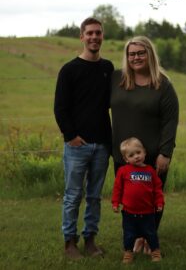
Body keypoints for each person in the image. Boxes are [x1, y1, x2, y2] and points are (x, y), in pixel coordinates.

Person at [110, 36, 179, 253]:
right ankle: (135, 236)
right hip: (123, 157)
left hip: (153, 156)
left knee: (150, 199)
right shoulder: (116, 79)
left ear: (149, 54)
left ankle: (149, 237)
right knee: (129, 199)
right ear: (126, 56)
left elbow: (170, 121)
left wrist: (165, 153)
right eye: (132, 54)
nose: (136, 57)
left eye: (141, 53)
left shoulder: (163, 85)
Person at [54, 17, 114, 260]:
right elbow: (60, 108)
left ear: (102, 36)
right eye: (89, 33)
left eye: (98, 33)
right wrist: (71, 137)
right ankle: (70, 243)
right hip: (77, 145)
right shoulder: (69, 70)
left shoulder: (108, 68)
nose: (94, 37)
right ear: (81, 36)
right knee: (72, 196)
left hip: (102, 145)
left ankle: (90, 240)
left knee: (94, 197)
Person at [112, 137, 164, 264]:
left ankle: (155, 252)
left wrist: (159, 202)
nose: (136, 156)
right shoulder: (123, 171)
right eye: (131, 155)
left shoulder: (151, 171)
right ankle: (128, 253)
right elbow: (117, 188)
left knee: (151, 233)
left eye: (138, 152)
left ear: (144, 152)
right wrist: (115, 202)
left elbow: (157, 189)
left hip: (148, 212)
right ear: (126, 159)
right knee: (129, 234)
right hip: (129, 213)